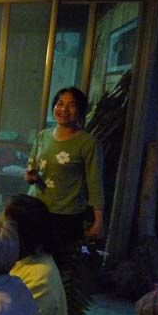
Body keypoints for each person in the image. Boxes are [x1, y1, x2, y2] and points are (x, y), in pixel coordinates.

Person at [25, 86, 105, 249]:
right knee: (35, 256)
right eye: (60, 104)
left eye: (71, 105)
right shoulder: (43, 136)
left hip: (67, 214)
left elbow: (95, 183)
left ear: (80, 110)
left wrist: (98, 221)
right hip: (36, 208)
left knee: (61, 258)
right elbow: (31, 167)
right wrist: (30, 177)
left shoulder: (88, 143)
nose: (64, 109)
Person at [4, 194, 68, 315]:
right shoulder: (20, 259)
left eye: (7, 226)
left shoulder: (40, 277)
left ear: (24, 233)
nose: (2, 233)